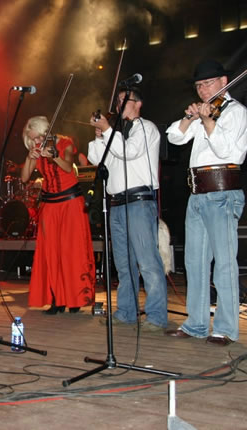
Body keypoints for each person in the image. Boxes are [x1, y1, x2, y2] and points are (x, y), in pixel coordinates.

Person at [165, 59, 247, 346]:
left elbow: (228, 151)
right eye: (198, 86)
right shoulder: (205, 112)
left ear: (224, 82)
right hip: (198, 194)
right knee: (195, 262)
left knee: (224, 262)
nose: (202, 90)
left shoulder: (236, 112)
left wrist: (208, 121)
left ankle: (226, 328)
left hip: (222, 193)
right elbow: (175, 137)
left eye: (208, 83)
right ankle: (197, 324)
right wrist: (190, 117)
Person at [87, 87, 167, 331]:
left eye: (125, 99)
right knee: (123, 264)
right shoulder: (117, 135)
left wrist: (108, 131)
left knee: (147, 262)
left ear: (138, 104)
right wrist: (100, 136)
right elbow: (96, 160)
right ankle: (126, 312)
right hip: (117, 204)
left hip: (139, 201)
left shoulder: (145, 127)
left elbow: (130, 152)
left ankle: (156, 316)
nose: (119, 103)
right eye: (118, 100)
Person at [21, 116, 95, 314]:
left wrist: (53, 156)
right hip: (50, 204)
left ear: (46, 132)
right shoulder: (36, 149)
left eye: (38, 137)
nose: (36, 141)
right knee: (51, 252)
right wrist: (30, 157)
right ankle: (57, 299)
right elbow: (25, 177)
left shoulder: (64, 143)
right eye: (32, 139)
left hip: (71, 202)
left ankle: (75, 299)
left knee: (72, 251)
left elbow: (68, 167)